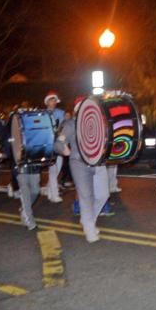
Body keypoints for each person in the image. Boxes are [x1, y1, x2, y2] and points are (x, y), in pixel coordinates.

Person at [54, 96, 108, 242]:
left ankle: (88, 219)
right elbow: (58, 143)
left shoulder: (98, 123)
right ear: (77, 110)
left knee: (103, 195)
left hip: (98, 162)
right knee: (86, 196)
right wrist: (63, 148)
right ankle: (90, 229)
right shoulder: (71, 124)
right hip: (79, 163)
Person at [44, 91, 65, 203]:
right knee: (53, 169)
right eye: (51, 100)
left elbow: (63, 126)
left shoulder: (61, 113)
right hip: (48, 144)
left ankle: (49, 188)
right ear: (47, 102)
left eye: (55, 100)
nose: (54, 102)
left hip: (59, 142)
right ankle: (54, 194)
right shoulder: (42, 113)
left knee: (58, 167)